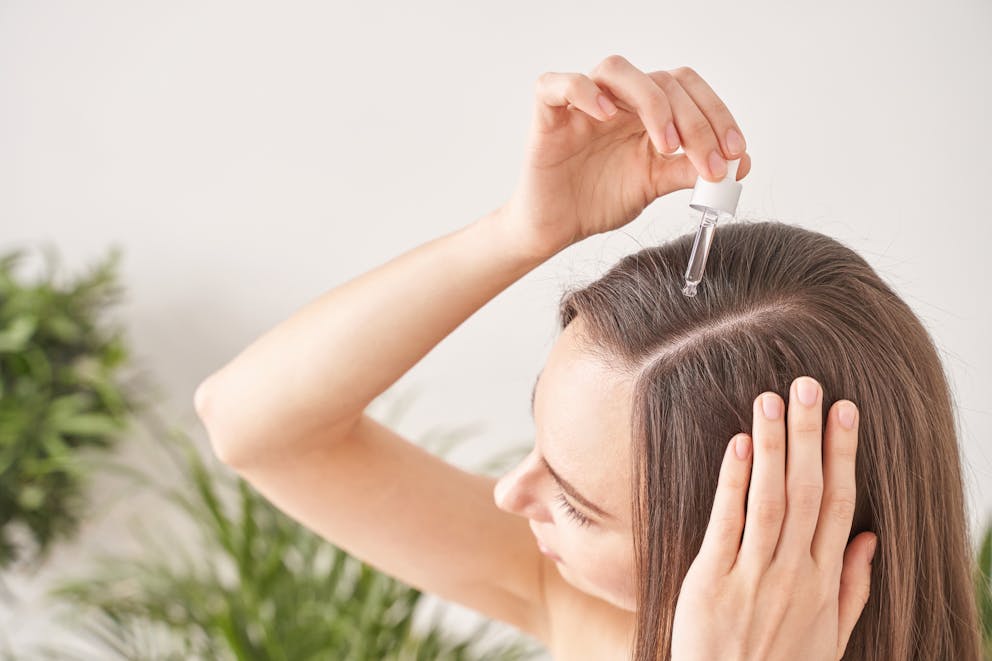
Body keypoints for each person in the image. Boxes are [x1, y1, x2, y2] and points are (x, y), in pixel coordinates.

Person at [193, 55, 982, 660]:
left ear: (751, 542)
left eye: (577, 504)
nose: (511, 492)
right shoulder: (601, 614)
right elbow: (253, 428)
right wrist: (522, 230)